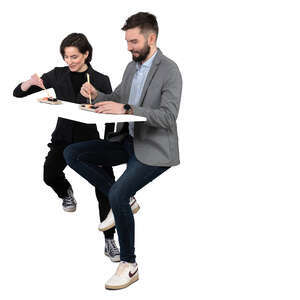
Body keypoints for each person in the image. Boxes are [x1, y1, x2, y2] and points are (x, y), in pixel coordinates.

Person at [64, 12, 182, 290]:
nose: (129, 47)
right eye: (127, 41)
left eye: (133, 41)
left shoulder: (170, 70)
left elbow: (168, 116)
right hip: (127, 142)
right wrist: (97, 95)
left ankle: (129, 264)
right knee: (72, 153)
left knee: (116, 192)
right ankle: (126, 202)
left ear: (151, 38)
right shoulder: (132, 67)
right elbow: (118, 98)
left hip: (155, 149)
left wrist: (127, 109)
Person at [12, 33, 140, 262]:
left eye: (74, 56)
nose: (69, 61)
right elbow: (18, 92)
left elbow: (110, 112)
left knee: (104, 192)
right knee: (49, 175)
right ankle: (66, 193)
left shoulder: (100, 79)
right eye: (66, 56)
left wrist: (109, 142)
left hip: (89, 140)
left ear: (86, 54)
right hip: (62, 138)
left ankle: (110, 241)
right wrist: (31, 82)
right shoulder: (57, 74)